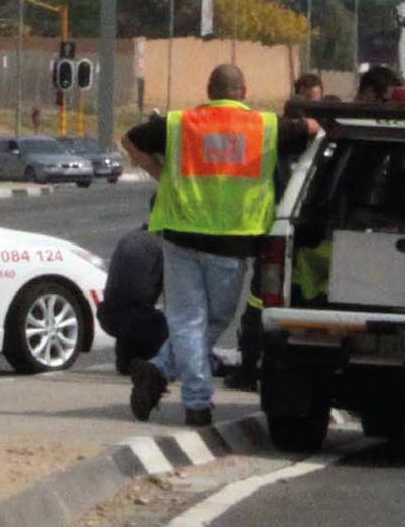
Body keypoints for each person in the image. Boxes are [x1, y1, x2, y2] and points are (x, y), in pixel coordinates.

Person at [122, 64, 319, 426]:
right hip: (233, 241)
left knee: (187, 320)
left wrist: (158, 172)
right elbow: (312, 129)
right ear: (243, 92)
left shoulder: (180, 123)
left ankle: (158, 368)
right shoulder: (266, 126)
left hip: (181, 233)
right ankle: (196, 401)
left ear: (209, 90)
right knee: (213, 319)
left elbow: (131, 138)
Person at [231, 70, 328, 391]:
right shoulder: (312, 147)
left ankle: (251, 368)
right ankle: (252, 366)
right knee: (273, 303)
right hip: (289, 237)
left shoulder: (312, 149)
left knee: (269, 304)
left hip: (287, 237)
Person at [97, 206, 168, 376]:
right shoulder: (162, 245)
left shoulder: (129, 237)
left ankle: (128, 359)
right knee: (183, 327)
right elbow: (174, 297)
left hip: (108, 315)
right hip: (138, 321)